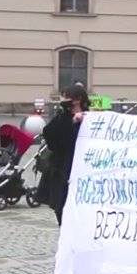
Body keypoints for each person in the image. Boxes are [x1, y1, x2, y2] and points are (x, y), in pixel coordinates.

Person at [41, 84, 88, 227]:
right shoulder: (62, 116)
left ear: (78, 99)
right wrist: (72, 121)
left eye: (68, 97)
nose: (64, 99)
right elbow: (49, 133)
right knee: (61, 204)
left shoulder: (90, 116)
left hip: (83, 167)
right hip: (62, 168)